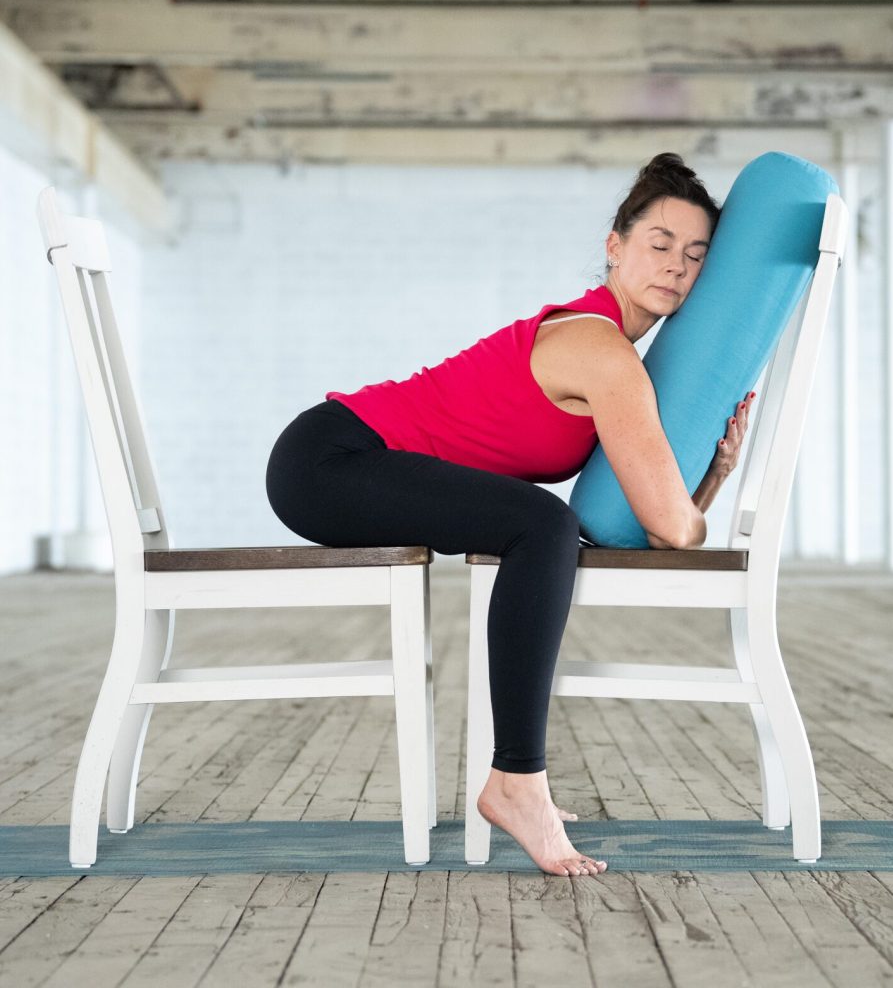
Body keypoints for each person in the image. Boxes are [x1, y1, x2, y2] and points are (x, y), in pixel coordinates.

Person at [264, 153, 753, 877]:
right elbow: (673, 530)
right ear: (615, 247)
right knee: (543, 525)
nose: (676, 267)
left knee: (541, 525)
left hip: (344, 459)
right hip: (329, 461)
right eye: (658, 243)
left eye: (695, 255)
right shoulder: (600, 350)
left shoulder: (612, 351)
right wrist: (696, 505)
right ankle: (517, 781)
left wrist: (710, 476)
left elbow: (657, 526)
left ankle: (517, 782)